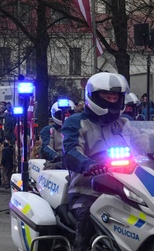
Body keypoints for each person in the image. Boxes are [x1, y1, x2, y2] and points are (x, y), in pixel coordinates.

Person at [62, 72, 148, 251]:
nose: (111, 101)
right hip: (87, 190)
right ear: (93, 97)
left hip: (128, 191)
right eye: (107, 97)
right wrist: (88, 164)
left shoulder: (126, 123)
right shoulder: (76, 122)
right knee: (90, 214)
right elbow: (71, 151)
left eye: (115, 97)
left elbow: (146, 146)